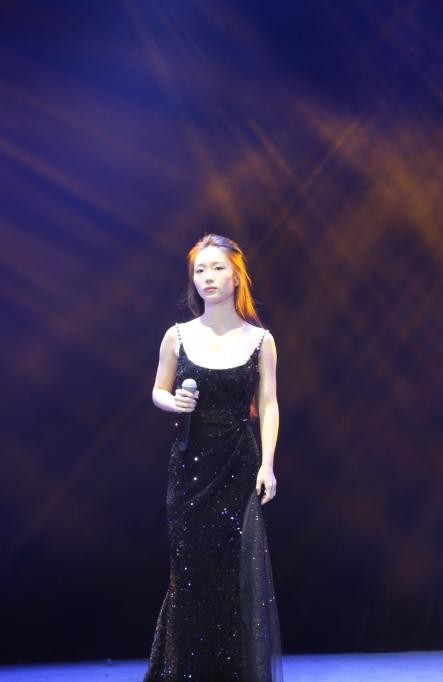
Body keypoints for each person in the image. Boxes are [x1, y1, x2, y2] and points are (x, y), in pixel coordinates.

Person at [145, 234, 283, 681]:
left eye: (217, 268)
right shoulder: (178, 336)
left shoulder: (260, 340)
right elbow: (158, 390)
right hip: (190, 469)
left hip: (239, 466)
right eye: (200, 270)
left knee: (235, 576)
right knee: (190, 574)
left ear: (236, 276)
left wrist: (267, 465)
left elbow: (269, 404)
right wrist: (172, 402)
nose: (208, 277)